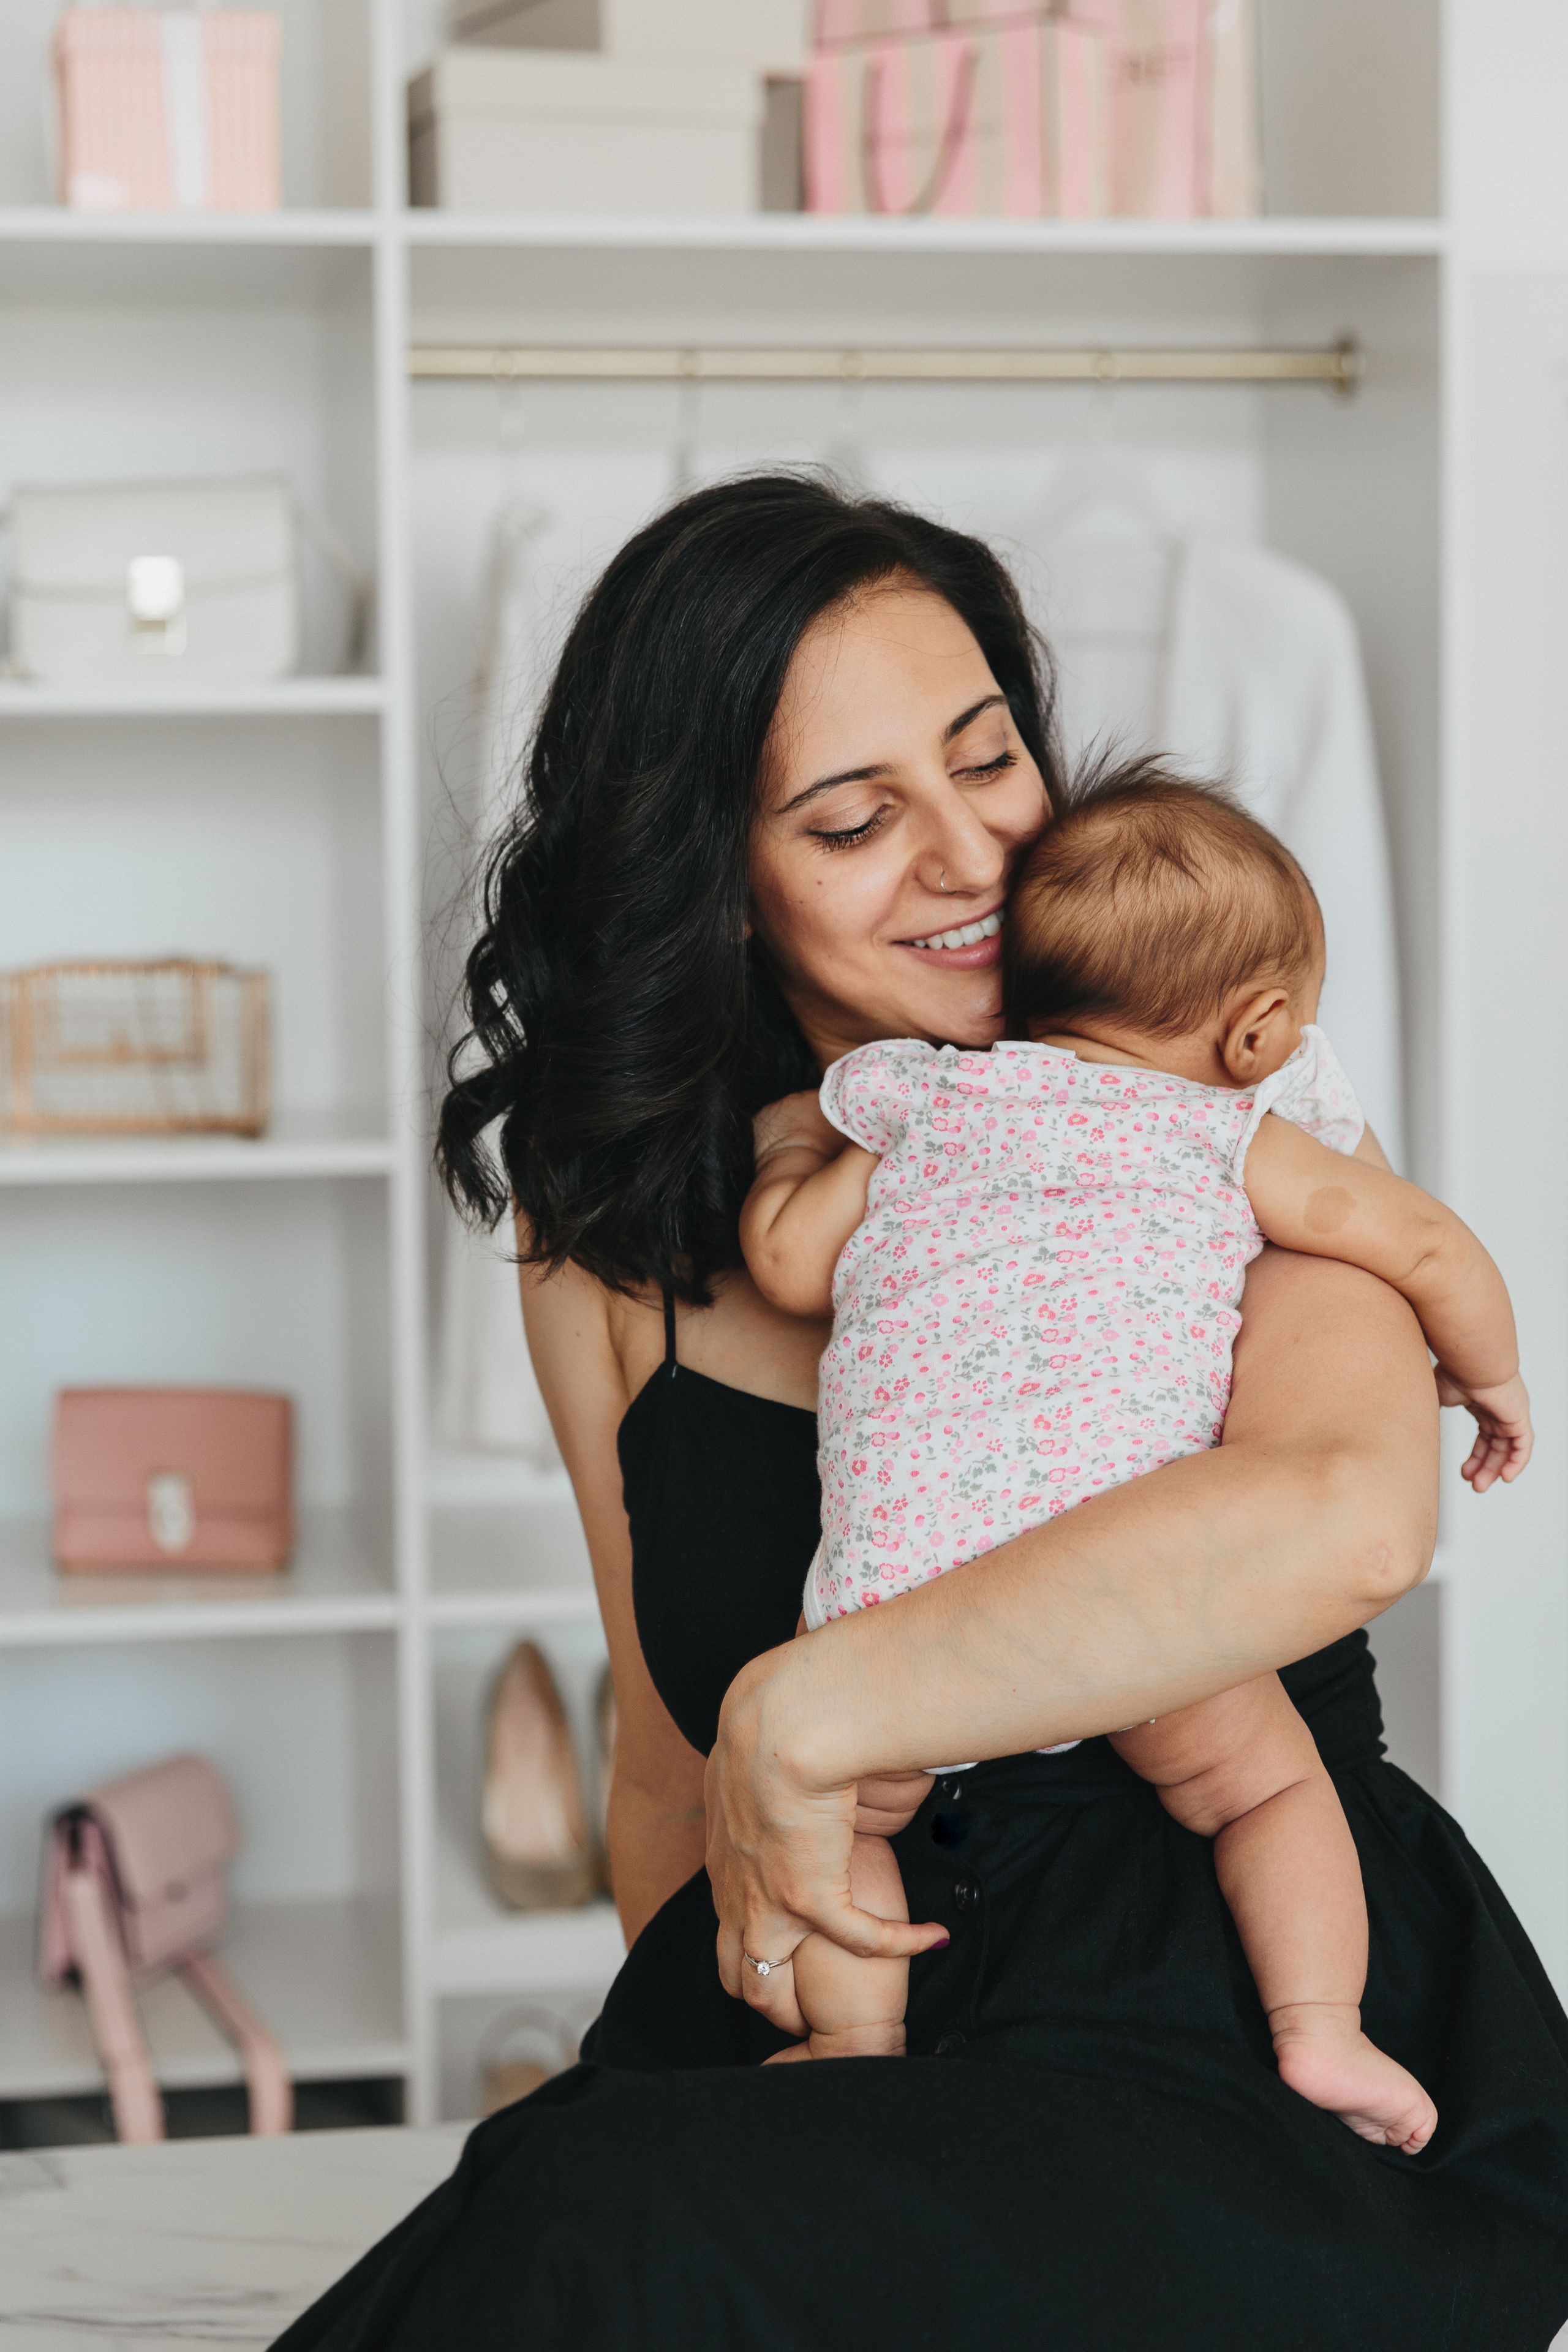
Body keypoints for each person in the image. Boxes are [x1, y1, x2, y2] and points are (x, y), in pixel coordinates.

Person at [276, 477, 1568, 2352]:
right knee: (567, 2210)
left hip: (1228, 2017)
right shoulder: (624, 1228)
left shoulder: (1223, 1117)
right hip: (852, 2019)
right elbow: (664, 1752)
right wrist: (713, 2034)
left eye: (992, 764)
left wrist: (817, 1709)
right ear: (714, 873)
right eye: (858, 819)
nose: (973, 858)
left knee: (595, 2230)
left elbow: (1349, 1514)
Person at [739, 764, 1532, 2157]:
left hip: (896, 1588)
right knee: (1265, 1789)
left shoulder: (931, 1104)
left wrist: (787, 1150)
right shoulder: (1228, 1134)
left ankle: (849, 2041)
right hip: (1136, 1583)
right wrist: (1487, 1374)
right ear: (1256, 1032)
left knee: (839, 1821)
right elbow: (1415, 1240)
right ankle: (1321, 2030)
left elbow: (790, 1262)